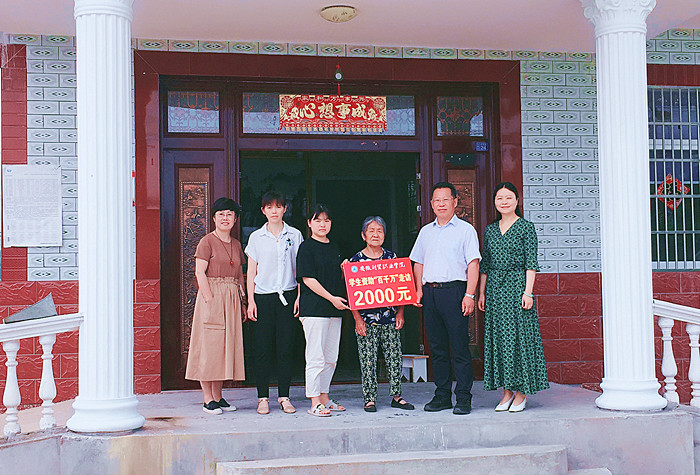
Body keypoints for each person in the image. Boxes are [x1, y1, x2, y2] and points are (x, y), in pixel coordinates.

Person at [409, 182, 480, 415]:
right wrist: (418, 290)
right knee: (437, 349)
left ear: (455, 202)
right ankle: (442, 396)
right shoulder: (425, 232)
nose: (441, 204)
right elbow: (418, 262)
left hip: (455, 292)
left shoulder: (465, 230)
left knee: (459, 348)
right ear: (431, 204)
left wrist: (469, 294)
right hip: (430, 293)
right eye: (436, 200)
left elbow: (473, 264)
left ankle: (463, 398)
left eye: (445, 199)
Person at [477, 182, 549, 412]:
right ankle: (506, 392)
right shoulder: (490, 229)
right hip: (495, 290)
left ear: (517, 201)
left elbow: (531, 262)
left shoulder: (526, 227)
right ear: (494, 202)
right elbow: (485, 264)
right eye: (499, 198)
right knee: (499, 340)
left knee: (519, 340)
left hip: (517, 287)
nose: (504, 202)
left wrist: (528, 292)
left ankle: (521, 392)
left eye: (509, 197)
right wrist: (481, 292)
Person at [185, 197, 246, 415]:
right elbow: (199, 272)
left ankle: (218, 397)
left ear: (235, 219)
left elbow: (239, 275)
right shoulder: (207, 242)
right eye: (221, 214)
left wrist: (243, 302)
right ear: (213, 218)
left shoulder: (236, 244)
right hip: (212, 296)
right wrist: (209, 299)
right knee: (209, 347)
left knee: (223, 348)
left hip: (232, 297)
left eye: (229, 214)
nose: (225, 218)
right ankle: (207, 399)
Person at [245, 191, 304, 415]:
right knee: (262, 349)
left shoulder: (295, 235)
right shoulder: (256, 237)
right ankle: (262, 398)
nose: (274, 211)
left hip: (287, 296)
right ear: (263, 210)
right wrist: (251, 301)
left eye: (278, 207)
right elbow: (251, 271)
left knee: (285, 349)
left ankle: (284, 396)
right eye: (269, 207)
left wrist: (299, 297)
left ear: (285, 209)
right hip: (262, 297)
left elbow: (300, 269)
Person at [349, 216, 415, 412]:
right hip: (366, 320)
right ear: (363, 235)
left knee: (394, 357)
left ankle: (397, 396)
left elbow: (402, 288)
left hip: (390, 318)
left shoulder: (391, 258)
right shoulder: (356, 261)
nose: (375, 234)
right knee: (368, 359)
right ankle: (369, 398)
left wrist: (400, 313)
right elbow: (351, 293)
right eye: (371, 231)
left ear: (384, 235)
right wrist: (357, 319)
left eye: (379, 231)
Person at [296, 204, 349, 417]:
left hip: (334, 309)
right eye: (317, 220)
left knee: (331, 357)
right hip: (314, 309)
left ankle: (325, 396)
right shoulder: (306, 247)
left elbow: (337, 278)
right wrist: (331, 299)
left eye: (326, 220)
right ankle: (314, 401)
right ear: (309, 223)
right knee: (316, 356)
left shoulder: (335, 247)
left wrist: (346, 270)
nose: (322, 224)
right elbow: (308, 279)